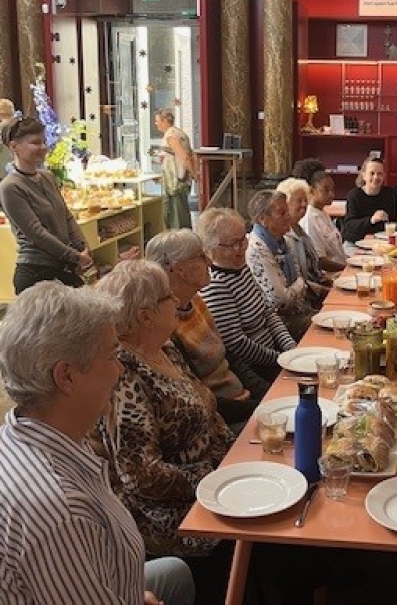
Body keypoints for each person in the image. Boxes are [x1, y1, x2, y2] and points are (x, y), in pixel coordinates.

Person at [0, 282, 195, 605]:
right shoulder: (57, 510)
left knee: (176, 573)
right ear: (66, 377)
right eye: (111, 356)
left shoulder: (6, 439)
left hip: (95, 581)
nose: (119, 371)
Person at [95, 262, 234, 567]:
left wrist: (234, 456)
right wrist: (211, 478)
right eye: (168, 297)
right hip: (171, 513)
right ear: (146, 316)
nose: (176, 302)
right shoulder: (124, 374)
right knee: (267, 536)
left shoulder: (165, 348)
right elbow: (140, 475)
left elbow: (207, 410)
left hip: (214, 479)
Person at [145, 229, 269, 427]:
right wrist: (260, 408)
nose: (209, 262)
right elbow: (200, 396)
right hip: (223, 418)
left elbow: (229, 357)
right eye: (201, 257)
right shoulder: (167, 327)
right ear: (179, 270)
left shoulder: (196, 301)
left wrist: (267, 392)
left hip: (245, 401)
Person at [196, 208, 297, 384]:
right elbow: (237, 344)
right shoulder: (216, 285)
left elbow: (268, 313)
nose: (241, 248)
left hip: (275, 354)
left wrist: (290, 347)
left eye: (243, 240)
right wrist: (280, 358)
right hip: (257, 368)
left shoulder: (240, 268)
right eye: (233, 244)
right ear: (210, 247)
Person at [0, 116, 94, 293]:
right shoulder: (11, 187)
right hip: (36, 271)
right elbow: (37, 234)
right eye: (35, 142)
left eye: (43, 141)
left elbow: (66, 216)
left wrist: (83, 247)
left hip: (63, 266)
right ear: (14, 147)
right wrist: (75, 257)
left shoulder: (47, 177)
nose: (42, 147)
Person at [245, 189, 319, 340]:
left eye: (287, 212)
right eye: (282, 213)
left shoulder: (286, 242)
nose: (288, 217)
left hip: (299, 311)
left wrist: (298, 285)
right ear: (263, 219)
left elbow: (296, 285)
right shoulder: (256, 248)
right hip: (277, 325)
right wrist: (300, 284)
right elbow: (280, 301)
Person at [276, 176, 333, 294]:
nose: (304, 204)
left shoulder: (300, 230)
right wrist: (327, 291)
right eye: (299, 200)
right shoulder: (285, 236)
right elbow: (299, 280)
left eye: (305, 200)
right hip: (309, 296)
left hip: (318, 285)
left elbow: (314, 269)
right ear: (286, 204)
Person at [298, 166, 347, 271]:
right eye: (326, 190)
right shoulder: (309, 219)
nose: (331, 194)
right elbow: (320, 261)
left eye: (333, 189)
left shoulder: (323, 213)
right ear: (312, 191)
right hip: (329, 275)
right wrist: (346, 269)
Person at [342, 155, 397, 243]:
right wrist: (371, 220)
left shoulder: (390, 194)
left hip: (381, 242)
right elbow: (349, 225)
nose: (376, 177)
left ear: (384, 176)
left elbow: (394, 222)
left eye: (379, 173)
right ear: (363, 175)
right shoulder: (354, 195)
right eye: (372, 173)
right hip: (355, 242)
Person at [154, 108, 193, 229]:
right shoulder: (180, 133)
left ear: (165, 121)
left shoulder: (171, 135)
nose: (155, 124)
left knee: (176, 216)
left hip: (175, 183)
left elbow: (184, 155)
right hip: (179, 181)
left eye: (157, 121)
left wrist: (194, 172)